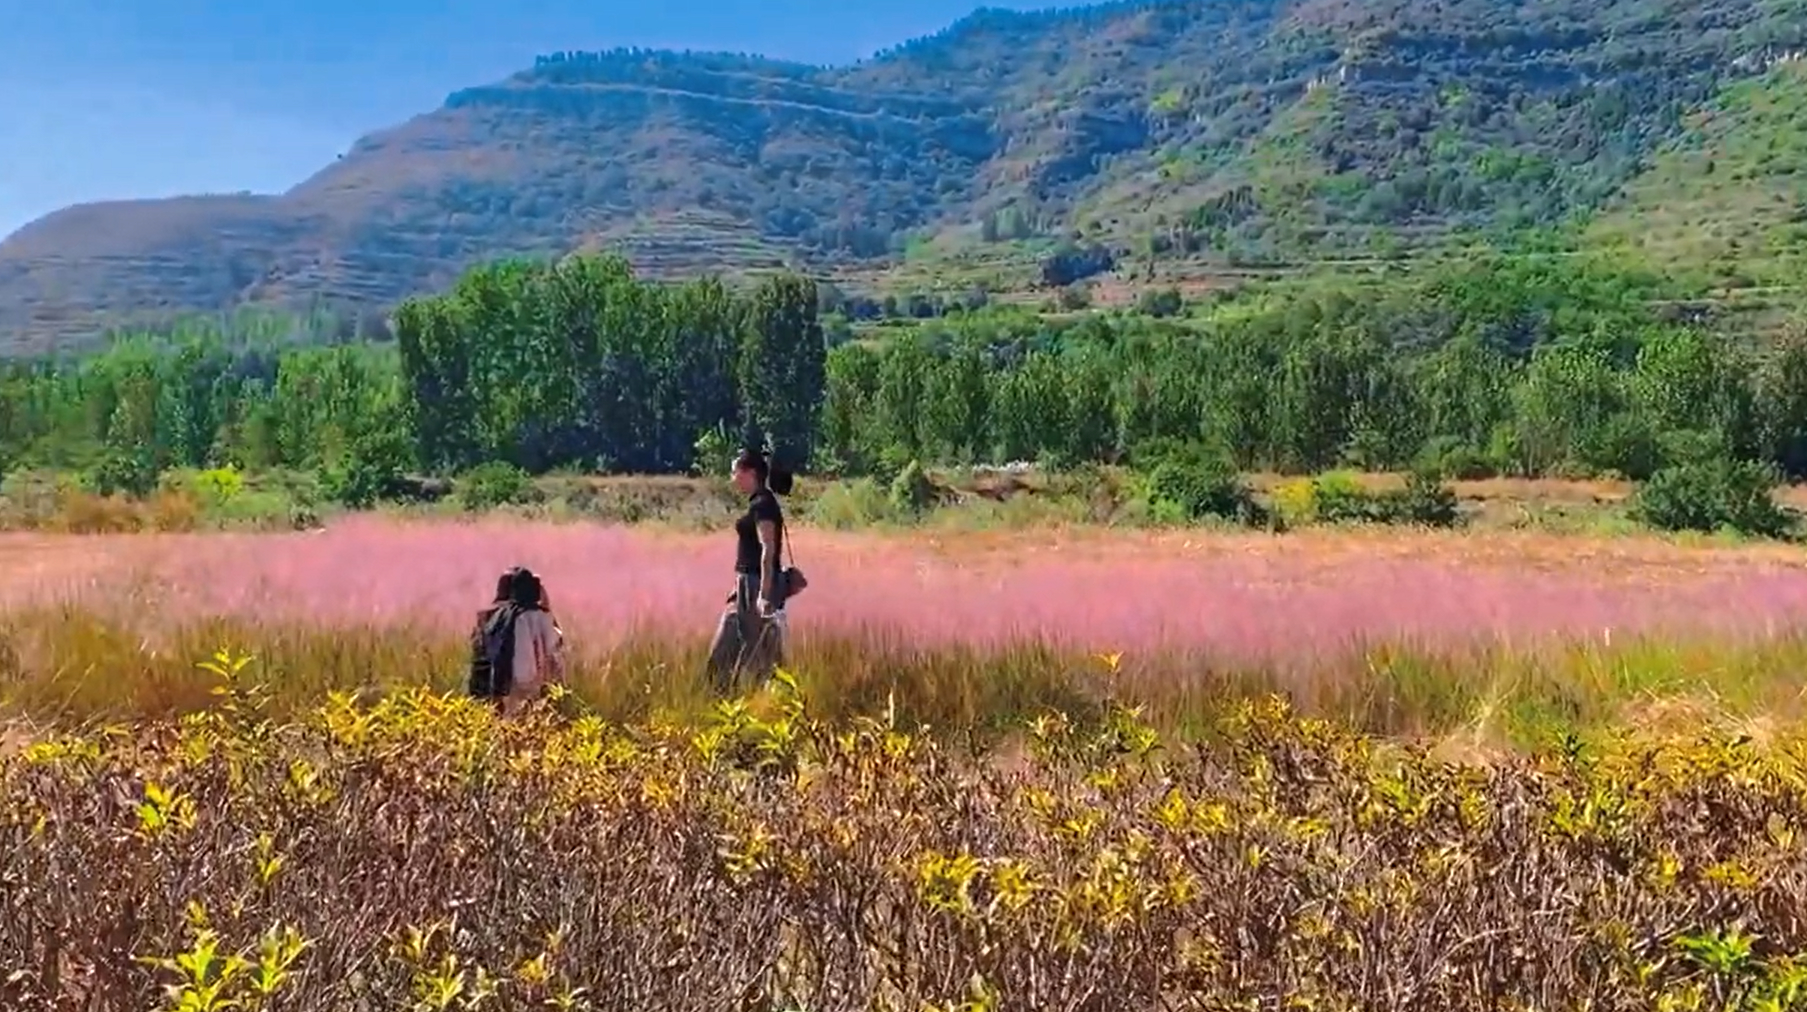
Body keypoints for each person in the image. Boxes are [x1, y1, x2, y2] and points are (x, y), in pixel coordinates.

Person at [706, 448, 794, 691]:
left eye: (735, 471)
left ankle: (765, 707)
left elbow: (768, 551)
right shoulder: (759, 502)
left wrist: (764, 596)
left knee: (760, 660)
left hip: (756, 586)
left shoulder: (763, 505)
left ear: (749, 473)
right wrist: (737, 589)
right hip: (746, 586)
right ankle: (722, 700)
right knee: (725, 652)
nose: (732, 477)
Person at [468, 566, 566, 716]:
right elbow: (556, 650)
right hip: (527, 695)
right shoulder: (537, 618)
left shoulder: (492, 620)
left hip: (500, 696)